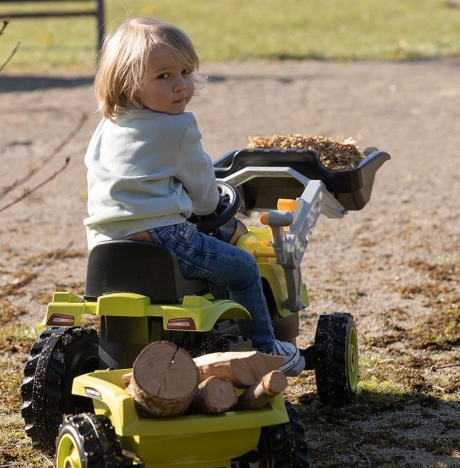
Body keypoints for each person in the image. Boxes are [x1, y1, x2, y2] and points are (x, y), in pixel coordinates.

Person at [83, 17, 305, 376]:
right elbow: (203, 194)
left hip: (106, 243)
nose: (180, 86)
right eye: (164, 76)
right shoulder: (178, 126)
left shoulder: (109, 126)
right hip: (164, 236)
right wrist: (212, 205)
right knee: (244, 267)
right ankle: (267, 350)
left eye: (185, 71)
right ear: (128, 82)